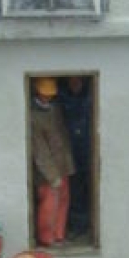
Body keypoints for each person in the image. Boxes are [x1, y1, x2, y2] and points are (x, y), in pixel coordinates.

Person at [30, 77, 75, 247]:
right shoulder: (33, 117)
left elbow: (62, 136)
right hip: (46, 171)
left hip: (61, 164)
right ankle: (47, 239)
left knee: (63, 200)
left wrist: (68, 164)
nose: (47, 97)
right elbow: (39, 151)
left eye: (49, 94)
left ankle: (59, 236)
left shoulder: (54, 108)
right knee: (49, 204)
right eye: (44, 94)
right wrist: (51, 175)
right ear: (38, 92)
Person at [59, 76, 91, 238]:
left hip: (90, 152)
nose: (75, 84)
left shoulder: (90, 97)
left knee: (89, 191)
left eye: (78, 80)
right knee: (76, 193)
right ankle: (77, 227)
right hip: (71, 154)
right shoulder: (63, 98)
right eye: (72, 80)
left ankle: (85, 226)